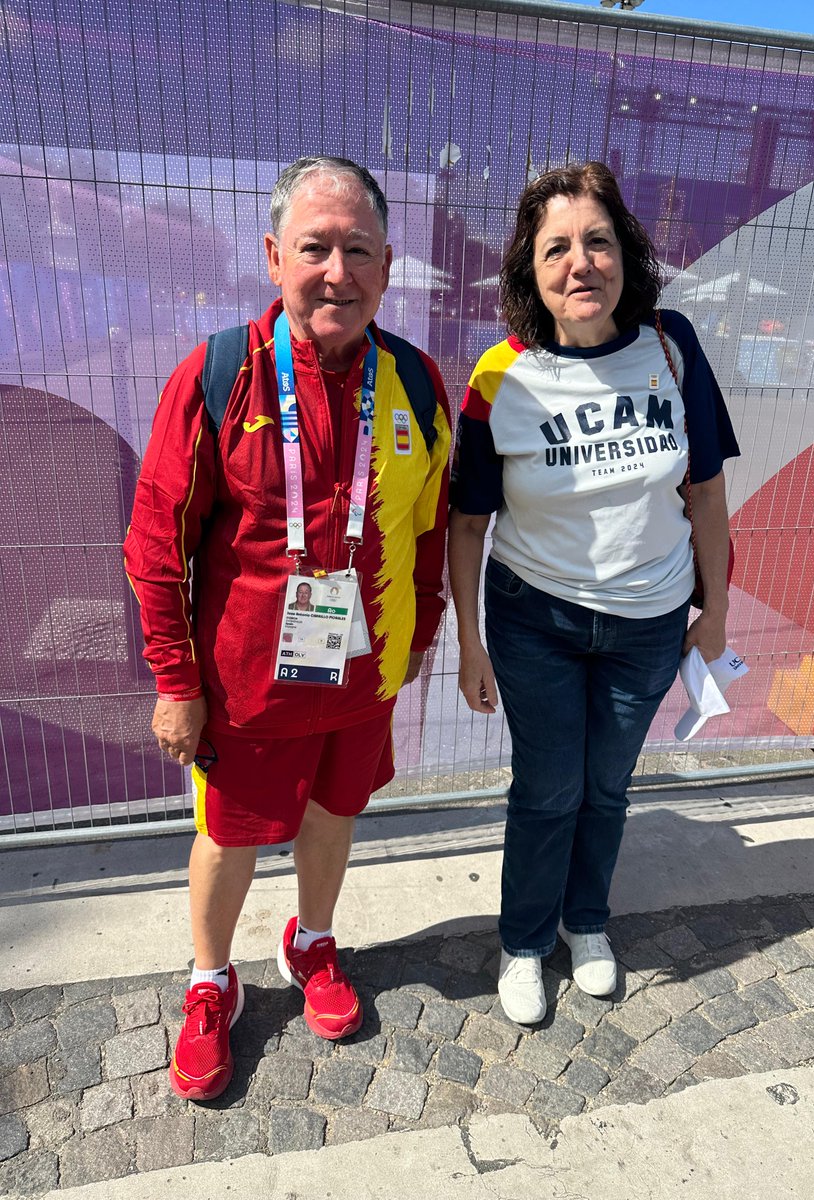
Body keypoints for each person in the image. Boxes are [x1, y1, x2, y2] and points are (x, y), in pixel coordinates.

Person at [124, 157, 451, 1098]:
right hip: (243, 687)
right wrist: (177, 682)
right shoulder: (220, 373)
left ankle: (312, 943)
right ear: (275, 257)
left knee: (334, 817)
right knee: (228, 836)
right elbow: (156, 539)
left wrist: (420, 633)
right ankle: (210, 980)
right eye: (315, 248)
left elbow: (428, 527)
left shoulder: (418, 383)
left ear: (387, 267)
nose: (336, 271)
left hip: (360, 672)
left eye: (358, 250)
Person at [449, 163, 739, 1024]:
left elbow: (708, 494)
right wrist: (470, 642)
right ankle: (526, 941)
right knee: (547, 789)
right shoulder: (500, 377)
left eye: (598, 241)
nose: (582, 263)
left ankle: (586, 923)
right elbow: (467, 527)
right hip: (534, 618)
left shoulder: (672, 344)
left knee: (607, 787)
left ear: (626, 254)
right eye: (557, 248)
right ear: (530, 272)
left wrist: (713, 609)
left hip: (648, 624)